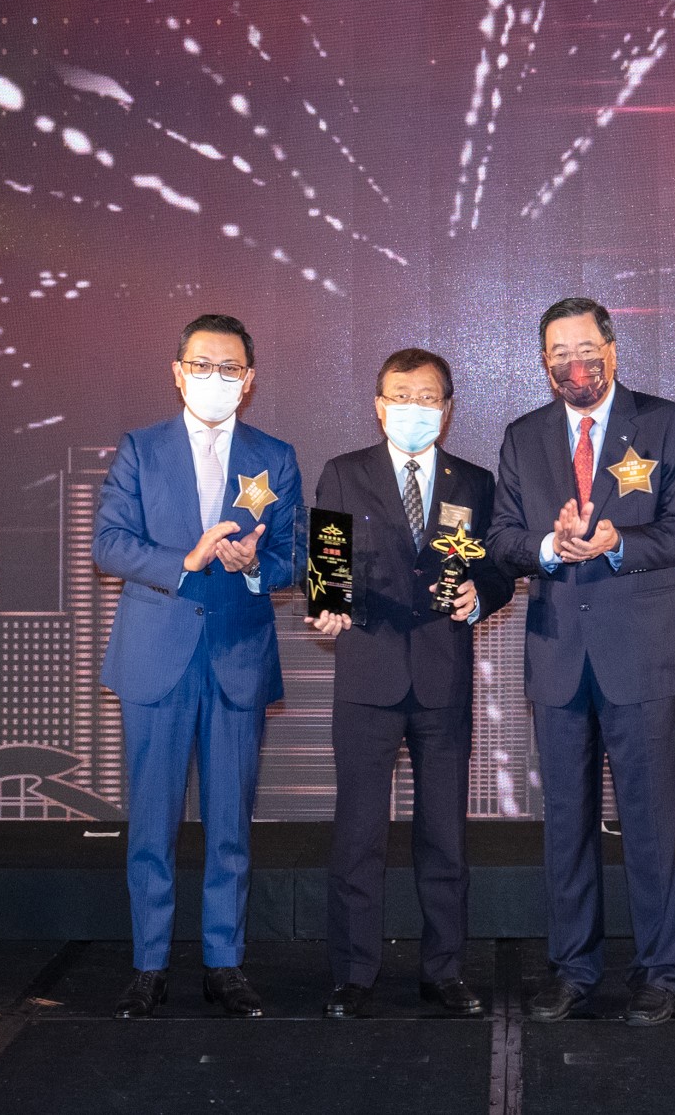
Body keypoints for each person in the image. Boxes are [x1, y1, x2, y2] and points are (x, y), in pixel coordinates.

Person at [486, 297, 675, 1027]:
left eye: (585, 348)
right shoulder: (524, 437)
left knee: (653, 823)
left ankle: (660, 972)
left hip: (643, 656)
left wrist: (617, 543)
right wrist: (550, 547)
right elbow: (504, 539)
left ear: (611, 350)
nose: (573, 363)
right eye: (558, 352)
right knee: (566, 825)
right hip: (558, 656)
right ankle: (573, 970)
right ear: (543, 361)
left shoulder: (666, 423)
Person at [92, 313, 302, 1019]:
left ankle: (224, 963)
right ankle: (149, 965)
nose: (216, 378)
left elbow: (295, 555)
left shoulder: (275, 455)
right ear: (178, 373)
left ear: (250, 379)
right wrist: (184, 561)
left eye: (230, 368)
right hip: (156, 656)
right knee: (152, 823)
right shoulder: (141, 449)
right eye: (202, 366)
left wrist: (253, 567)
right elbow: (108, 544)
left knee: (230, 824)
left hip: (237, 657)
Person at [307, 347, 516, 1020]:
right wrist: (327, 604)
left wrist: (481, 597)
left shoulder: (474, 483)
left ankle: (444, 971)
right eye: (401, 396)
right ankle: (353, 974)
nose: (414, 408)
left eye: (428, 398)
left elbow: (499, 568)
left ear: (447, 410)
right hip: (366, 676)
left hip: (442, 677)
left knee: (445, 834)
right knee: (358, 834)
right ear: (379, 405)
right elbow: (328, 565)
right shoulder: (344, 473)